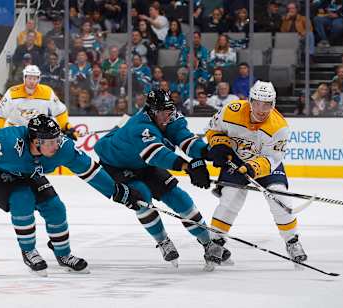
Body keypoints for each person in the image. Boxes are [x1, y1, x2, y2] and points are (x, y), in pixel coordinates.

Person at [0, 115, 145, 276]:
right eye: (50, 142)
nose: (56, 145)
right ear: (35, 141)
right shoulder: (5, 143)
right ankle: (28, 251)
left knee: (55, 207)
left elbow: (90, 171)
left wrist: (117, 191)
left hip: (27, 171)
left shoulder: (63, 148)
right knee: (22, 198)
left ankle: (63, 254)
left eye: (57, 139)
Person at [94, 89, 230, 270]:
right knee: (141, 197)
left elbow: (185, 138)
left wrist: (207, 153)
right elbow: (157, 155)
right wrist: (188, 167)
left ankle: (208, 243)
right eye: (161, 113)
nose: (167, 116)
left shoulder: (170, 116)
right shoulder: (140, 126)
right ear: (151, 112)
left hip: (143, 163)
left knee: (179, 198)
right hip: (116, 164)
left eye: (169, 111)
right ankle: (163, 241)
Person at [205, 80, 308, 263]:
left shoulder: (279, 127)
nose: (261, 109)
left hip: (266, 165)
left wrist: (253, 167)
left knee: (280, 199)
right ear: (250, 101)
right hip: (236, 161)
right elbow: (213, 130)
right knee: (229, 199)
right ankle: (216, 242)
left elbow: (273, 158)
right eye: (258, 103)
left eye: (267, 104)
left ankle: (292, 241)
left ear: (273, 104)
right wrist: (220, 146)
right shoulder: (231, 110)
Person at [0, 65, 77, 140]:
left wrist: (66, 127)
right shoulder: (12, 92)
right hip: (15, 131)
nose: (32, 81)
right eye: (29, 78)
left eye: (34, 78)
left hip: (38, 132)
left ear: (38, 79)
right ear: (24, 78)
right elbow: (0, 112)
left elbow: (60, 111)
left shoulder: (47, 92)